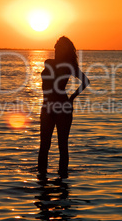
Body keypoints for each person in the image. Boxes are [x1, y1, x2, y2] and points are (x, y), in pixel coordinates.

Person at [38, 36, 90, 178]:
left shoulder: (69, 66)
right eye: (55, 47)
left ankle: (62, 180)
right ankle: (41, 179)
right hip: (47, 107)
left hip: (62, 108)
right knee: (44, 146)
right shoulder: (49, 63)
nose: (55, 49)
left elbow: (86, 81)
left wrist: (72, 98)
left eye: (59, 47)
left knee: (62, 145)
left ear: (65, 50)